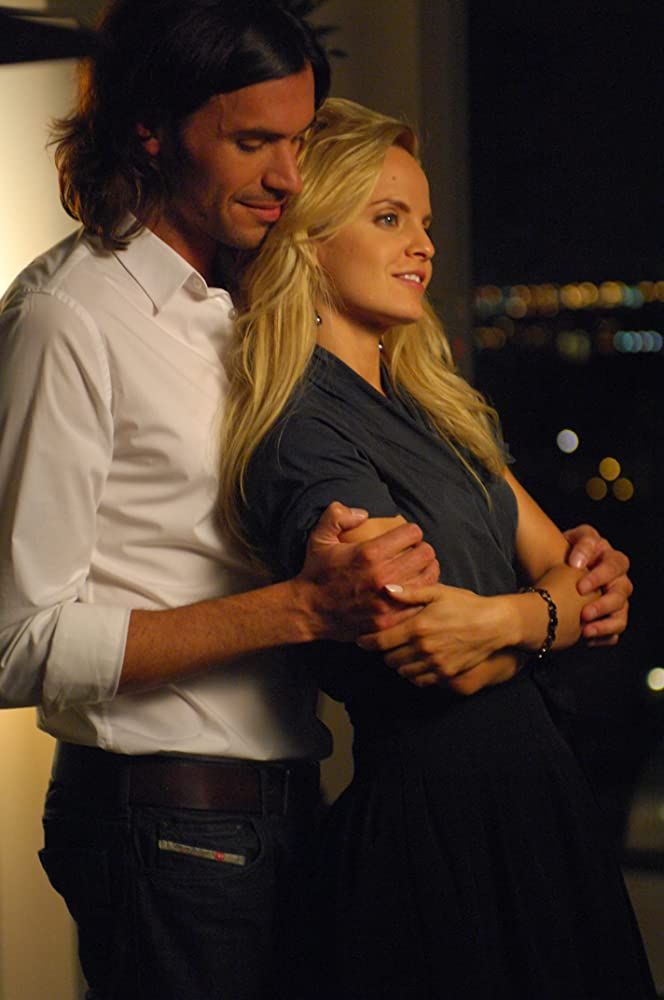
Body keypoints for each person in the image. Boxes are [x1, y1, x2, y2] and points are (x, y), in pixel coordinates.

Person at [0, 0, 631, 996]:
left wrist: (548, 592)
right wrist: (298, 609)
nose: (287, 178)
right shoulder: (67, 318)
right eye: (253, 142)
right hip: (168, 820)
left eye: (297, 143)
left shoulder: (250, 316)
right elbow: (17, 643)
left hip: (294, 803)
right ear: (150, 129)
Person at [220, 98, 655, 999]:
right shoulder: (302, 433)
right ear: (308, 238)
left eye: (425, 223)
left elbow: (579, 584)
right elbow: (430, 649)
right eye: (389, 219)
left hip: (535, 802)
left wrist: (508, 621)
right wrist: (548, 616)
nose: (423, 245)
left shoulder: (436, 409)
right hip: (436, 833)